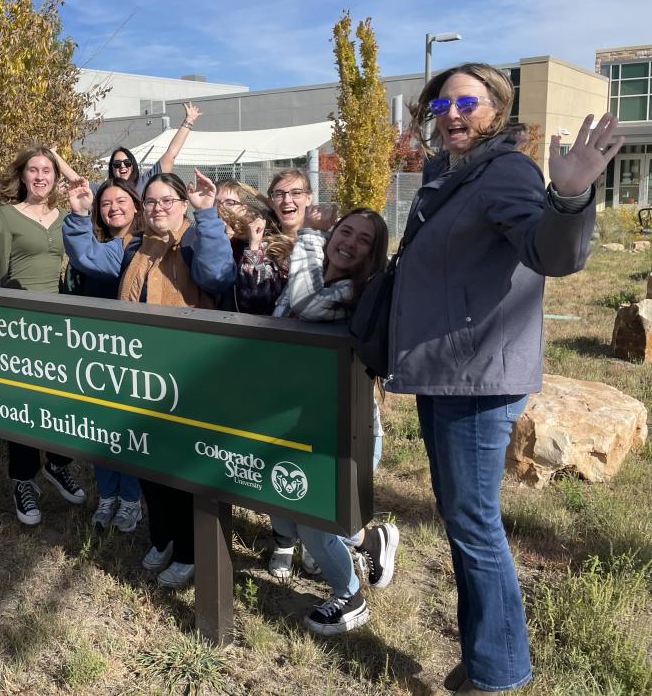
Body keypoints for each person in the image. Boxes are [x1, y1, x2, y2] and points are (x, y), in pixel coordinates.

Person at [391, 63, 621, 694]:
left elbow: (549, 251)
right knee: (461, 517)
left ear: (498, 107)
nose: (452, 114)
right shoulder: (449, 175)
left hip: (476, 377)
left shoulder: (506, 171)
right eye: (441, 106)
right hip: (445, 371)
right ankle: (487, 657)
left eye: (468, 102)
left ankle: (497, 674)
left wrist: (569, 197)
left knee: (473, 524)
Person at [63, 169, 235, 588]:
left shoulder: (197, 241)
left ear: (182, 205)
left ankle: (192, 550)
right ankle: (163, 537)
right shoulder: (134, 247)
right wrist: (79, 214)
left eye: (167, 201)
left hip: (189, 373)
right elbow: (86, 257)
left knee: (185, 465)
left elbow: (218, 276)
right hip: (144, 374)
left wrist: (207, 214)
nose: (159, 209)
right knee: (150, 462)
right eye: (152, 202)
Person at [268, 205, 399, 635]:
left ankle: (350, 598)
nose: (349, 242)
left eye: (363, 239)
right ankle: (369, 540)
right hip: (297, 418)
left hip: (345, 429)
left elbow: (304, 305)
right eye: (345, 231)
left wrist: (309, 232)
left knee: (314, 519)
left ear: (373, 253)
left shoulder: (355, 293)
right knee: (290, 504)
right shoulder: (311, 277)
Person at [0, 146, 86, 525]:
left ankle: (58, 464)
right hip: (20, 322)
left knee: (62, 398)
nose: (41, 176)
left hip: (59, 321)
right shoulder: (9, 215)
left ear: (55, 177)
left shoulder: (65, 216)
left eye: (47, 170)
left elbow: (82, 190)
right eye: (33, 170)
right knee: (24, 401)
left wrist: (60, 156)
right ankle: (22, 478)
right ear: (23, 176)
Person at [62, 178, 146, 532]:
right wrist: (80, 213)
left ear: (136, 205)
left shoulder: (139, 245)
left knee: (129, 430)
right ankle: (108, 495)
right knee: (101, 428)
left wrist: (77, 218)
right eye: (106, 202)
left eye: (121, 200)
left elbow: (86, 257)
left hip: (135, 352)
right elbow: (84, 259)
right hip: (100, 351)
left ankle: (130, 500)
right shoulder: (108, 244)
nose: (113, 207)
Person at [62, 102, 203, 195]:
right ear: (112, 168)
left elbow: (171, 154)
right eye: (117, 164)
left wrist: (189, 121)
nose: (122, 166)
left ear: (133, 165)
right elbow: (76, 180)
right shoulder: (106, 190)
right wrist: (52, 154)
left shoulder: (145, 182)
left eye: (127, 163)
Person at [216, 180, 290, 315]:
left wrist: (252, 245)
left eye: (230, 203)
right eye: (217, 203)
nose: (221, 208)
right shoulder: (211, 238)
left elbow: (260, 290)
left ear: (243, 208)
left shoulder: (260, 234)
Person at [266, 169, 313, 241]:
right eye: (279, 194)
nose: (287, 200)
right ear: (271, 202)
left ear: (308, 199)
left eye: (296, 193)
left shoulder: (326, 242)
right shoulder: (263, 246)